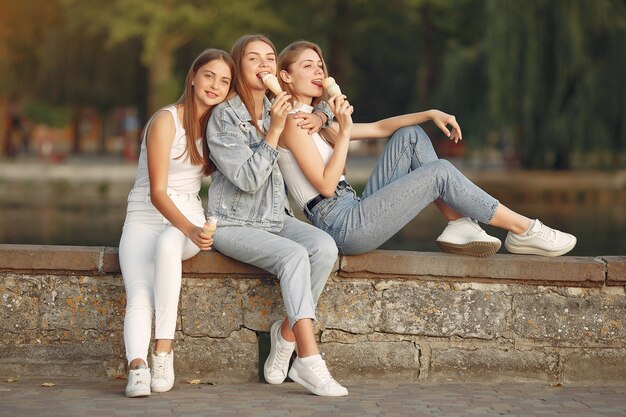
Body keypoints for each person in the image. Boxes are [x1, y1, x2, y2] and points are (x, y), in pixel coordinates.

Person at [275, 41, 577, 257]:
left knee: (410, 135)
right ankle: (524, 229)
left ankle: (458, 222)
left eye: (319, 65)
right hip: (341, 226)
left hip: (354, 207)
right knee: (440, 172)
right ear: (286, 76)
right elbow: (327, 187)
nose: (318, 71)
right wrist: (344, 129)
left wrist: (430, 113)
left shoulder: (317, 122)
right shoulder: (291, 122)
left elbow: (381, 128)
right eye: (307, 66)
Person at [206, 34, 348, 397]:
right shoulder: (224, 117)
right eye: (254, 59)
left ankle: (284, 334)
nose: (265, 65)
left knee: (324, 247)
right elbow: (248, 179)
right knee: (294, 254)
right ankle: (309, 359)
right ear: (239, 68)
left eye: (269, 58)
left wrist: (318, 114)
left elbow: (326, 105)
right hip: (233, 222)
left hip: (275, 217)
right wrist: (273, 132)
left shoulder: (276, 106)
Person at [119, 48, 234, 398]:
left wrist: (193, 228)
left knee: (169, 245)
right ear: (194, 76)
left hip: (187, 214)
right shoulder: (166, 120)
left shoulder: (218, 129)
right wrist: (191, 231)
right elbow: (156, 191)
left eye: (225, 82)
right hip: (145, 213)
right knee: (139, 291)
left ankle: (164, 351)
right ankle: (137, 368)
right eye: (210, 75)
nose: (215, 85)